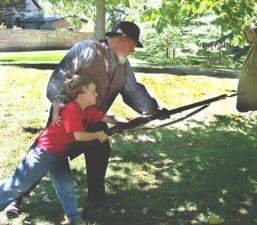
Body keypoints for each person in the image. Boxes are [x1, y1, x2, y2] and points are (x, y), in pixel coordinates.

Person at [5, 21, 167, 216]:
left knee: (100, 148)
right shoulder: (87, 50)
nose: (133, 50)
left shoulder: (124, 65)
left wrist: (152, 109)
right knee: (45, 156)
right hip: (65, 116)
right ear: (121, 40)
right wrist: (58, 102)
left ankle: (96, 198)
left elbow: (133, 91)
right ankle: (16, 198)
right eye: (133, 44)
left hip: (93, 117)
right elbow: (60, 76)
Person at [0, 75, 128, 224]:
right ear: (81, 96)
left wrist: (129, 122)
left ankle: (74, 219)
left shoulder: (88, 110)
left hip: (59, 154)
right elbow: (78, 136)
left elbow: (108, 118)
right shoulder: (72, 109)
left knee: (66, 186)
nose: (97, 94)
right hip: (43, 152)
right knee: (18, 184)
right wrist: (98, 135)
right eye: (93, 91)